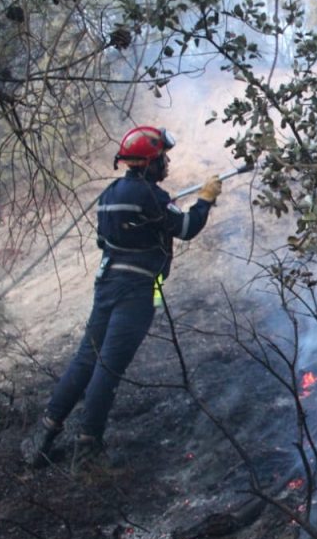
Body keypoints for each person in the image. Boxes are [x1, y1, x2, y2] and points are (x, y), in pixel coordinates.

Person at [21, 126, 223, 471]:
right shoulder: (151, 195)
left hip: (107, 283)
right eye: (162, 158)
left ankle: (43, 437)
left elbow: (108, 241)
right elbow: (187, 228)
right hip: (135, 290)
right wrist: (205, 200)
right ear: (148, 163)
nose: (166, 164)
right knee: (109, 366)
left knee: (87, 359)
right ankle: (88, 450)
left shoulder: (112, 193)